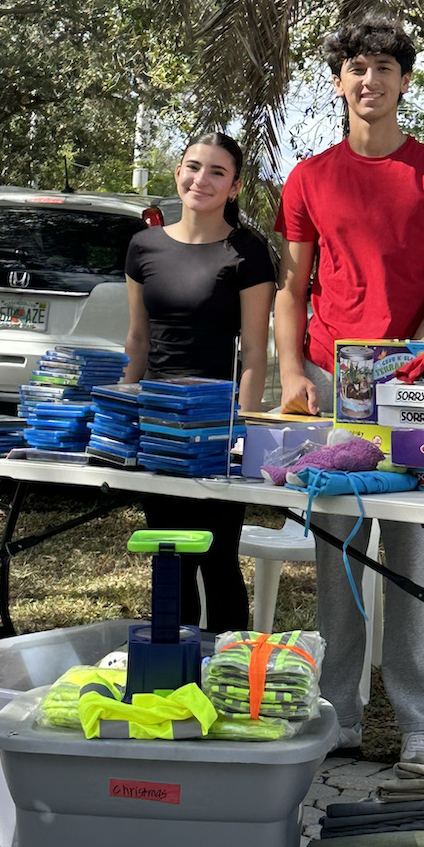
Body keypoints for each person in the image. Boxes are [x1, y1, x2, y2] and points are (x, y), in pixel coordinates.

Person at [274, 15, 424, 764]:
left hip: (411, 386)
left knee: (415, 553)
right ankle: (341, 718)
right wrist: (294, 371)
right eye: (357, 67)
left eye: (386, 68)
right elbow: (293, 287)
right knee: (340, 556)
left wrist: (408, 363)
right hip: (333, 386)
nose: (371, 80)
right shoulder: (308, 178)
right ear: (339, 82)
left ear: (403, 82)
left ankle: (422, 726)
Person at [124, 132, 276, 634]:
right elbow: (138, 343)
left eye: (217, 172)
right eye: (193, 167)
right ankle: (171, 675)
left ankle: (229, 672)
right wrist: (123, 414)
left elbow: (255, 351)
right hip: (158, 426)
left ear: (234, 187)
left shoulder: (248, 251)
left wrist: (243, 429)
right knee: (169, 556)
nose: (201, 180)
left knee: (216, 555)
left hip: (217, 429)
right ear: (177, 172)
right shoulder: (143, 245)